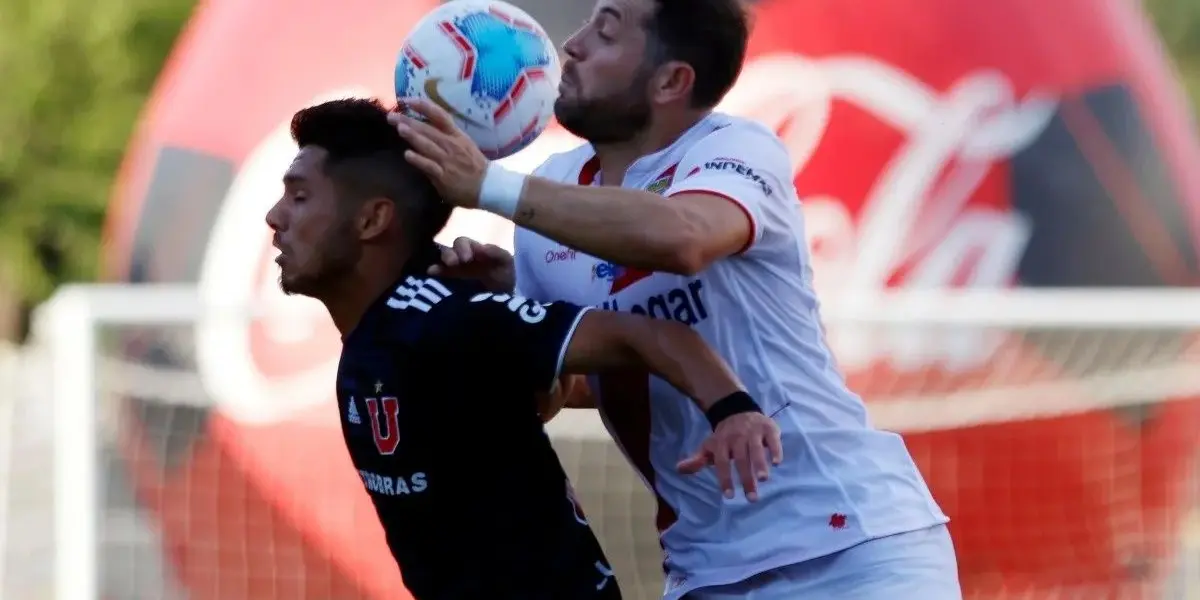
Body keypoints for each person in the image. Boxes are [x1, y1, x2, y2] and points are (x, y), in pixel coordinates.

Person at [386, 0, 963, 598]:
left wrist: (487, 185)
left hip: (850, 548)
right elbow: (572, 387)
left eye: (606, 33)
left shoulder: (735, 147)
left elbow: (684, 237)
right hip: (706, 568)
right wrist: (506, 314)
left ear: (671, 81)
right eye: (584, 25)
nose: (573, 46)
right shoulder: (550, 197)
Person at [266, 97, 782, 600]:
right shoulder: (389, 335)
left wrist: (732, 410)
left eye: (300, 196)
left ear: (372, 220)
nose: (274, 216)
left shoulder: (444, 318)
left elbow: (644, 334)